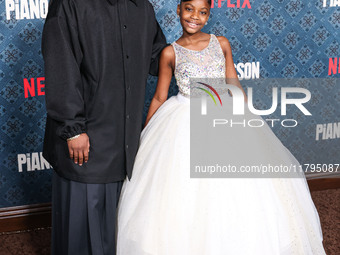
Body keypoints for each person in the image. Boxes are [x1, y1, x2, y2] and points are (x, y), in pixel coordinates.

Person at [116, 0, 327, 254]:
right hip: (184, 119)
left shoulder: (221, 43)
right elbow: (160, 97)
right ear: (179, 10)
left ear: (209, 15)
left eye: (202, 12)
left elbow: (233, 83)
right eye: (189, 9)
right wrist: (146, 138)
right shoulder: (170, 53)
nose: (195, 16)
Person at [41, 0, 166, 254]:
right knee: (82, 233)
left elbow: (158, 59)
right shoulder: (69, 4)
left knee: (117, 229)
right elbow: (61, 67)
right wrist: (72, 127)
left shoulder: (142, 7)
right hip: (85, 140)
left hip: (125, 143)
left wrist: (196, 50)